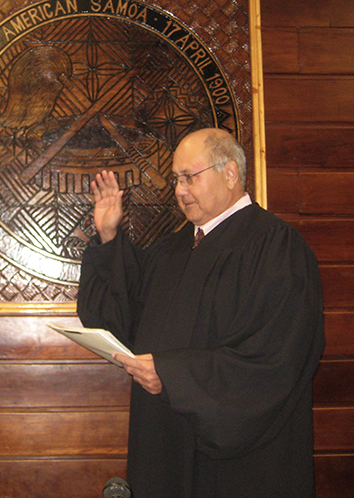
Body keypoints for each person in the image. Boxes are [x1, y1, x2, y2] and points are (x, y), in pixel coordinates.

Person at [78, 128, 325, 498]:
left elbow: (277, 357)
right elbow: (125, 319)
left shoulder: (275, 247)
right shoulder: (173, 250)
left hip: (239, 467)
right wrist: (109, 237)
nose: (179, 189)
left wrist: (174, 376)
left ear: (229, 173)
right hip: (166, 444)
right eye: (177, 179)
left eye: (189, 177)